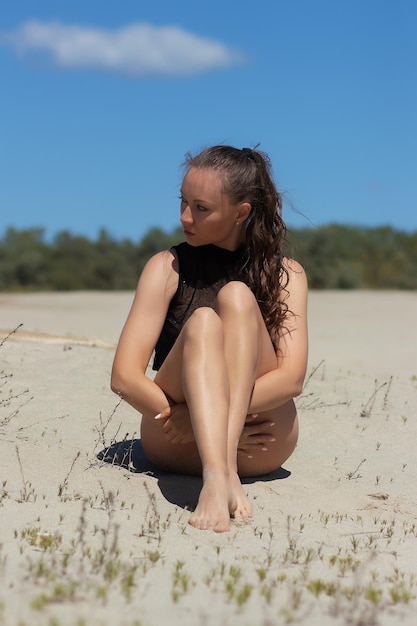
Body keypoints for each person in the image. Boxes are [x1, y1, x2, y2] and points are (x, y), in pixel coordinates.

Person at [111, 145, 308, 533]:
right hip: (175, 437)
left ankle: (222, 472)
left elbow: (291, 379)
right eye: (183, 202)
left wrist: (213, 415)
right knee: (202, 321)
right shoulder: (166, 267)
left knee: (236, 297)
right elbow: (124, 377)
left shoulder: (288, 274)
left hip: (259, 442)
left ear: (241, 212)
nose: (185, 217)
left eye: (201, 208)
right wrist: (188, 415)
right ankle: (219, 475)